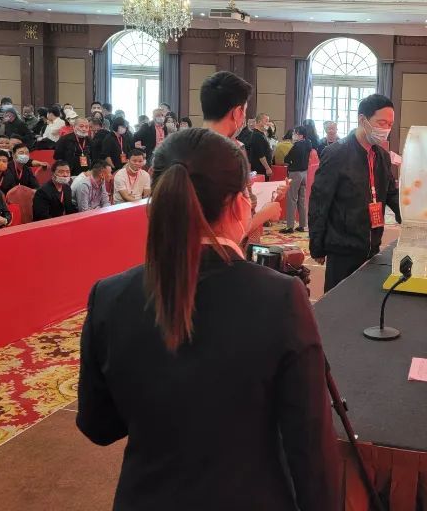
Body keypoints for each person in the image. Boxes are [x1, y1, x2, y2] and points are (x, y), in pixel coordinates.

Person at [77, 128, 340, 510]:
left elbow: (99, 426)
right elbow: (311, 446)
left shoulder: (109, 295)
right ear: (237, 204)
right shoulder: (281, 297)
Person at [309, 94, 401, 292]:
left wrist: (411, 217)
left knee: (365, 300)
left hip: (372, 245)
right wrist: (317, 245)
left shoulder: (382, 156)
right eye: (381, 123)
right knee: (338, 302)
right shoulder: (337, 153)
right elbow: (320, 201)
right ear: (362, 120)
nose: (386, 129)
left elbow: (391, 193)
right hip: (342, 248)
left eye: (390, 124)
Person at [200, 71, 284, 233]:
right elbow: (232, 229)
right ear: (237, 112)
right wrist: (266, 213)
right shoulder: (230, 155)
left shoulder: (176, 147)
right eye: (244, 110)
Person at [282, 126, 312, 233]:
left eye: (295, 133)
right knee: (302, 199)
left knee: (292, 199)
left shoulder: (297, 145)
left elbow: (287, 158)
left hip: (295, 173)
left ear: (300, 135)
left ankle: (289, 226)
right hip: (304, 173)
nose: (293, 135)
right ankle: (303, 224)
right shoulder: (308, 143)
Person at [246, 113, 273, 179]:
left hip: (262, 168)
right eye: (266, 121)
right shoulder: (257, 135)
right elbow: (261, 155)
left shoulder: (262, 134)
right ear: (259, 122)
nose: (268, 123)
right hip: (260, 169)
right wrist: (267, 168)